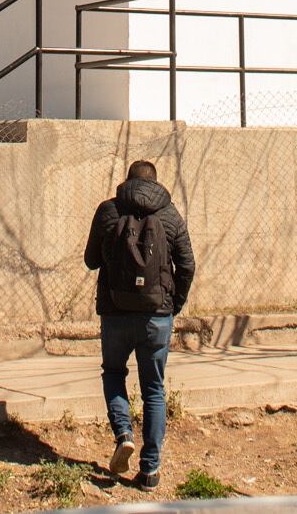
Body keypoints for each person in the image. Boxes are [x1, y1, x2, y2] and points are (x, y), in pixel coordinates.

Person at [84, 159, 196, 493]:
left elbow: (91, 260)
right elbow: (187, 264)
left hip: (115, 311)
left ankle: (123, 435)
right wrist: (173, 304)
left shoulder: (108, 211)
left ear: (127, 181)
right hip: (157, 315)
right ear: (156, 183)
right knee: (153, 390)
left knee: (114, 373)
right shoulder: (170, 215)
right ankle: (150, 470)